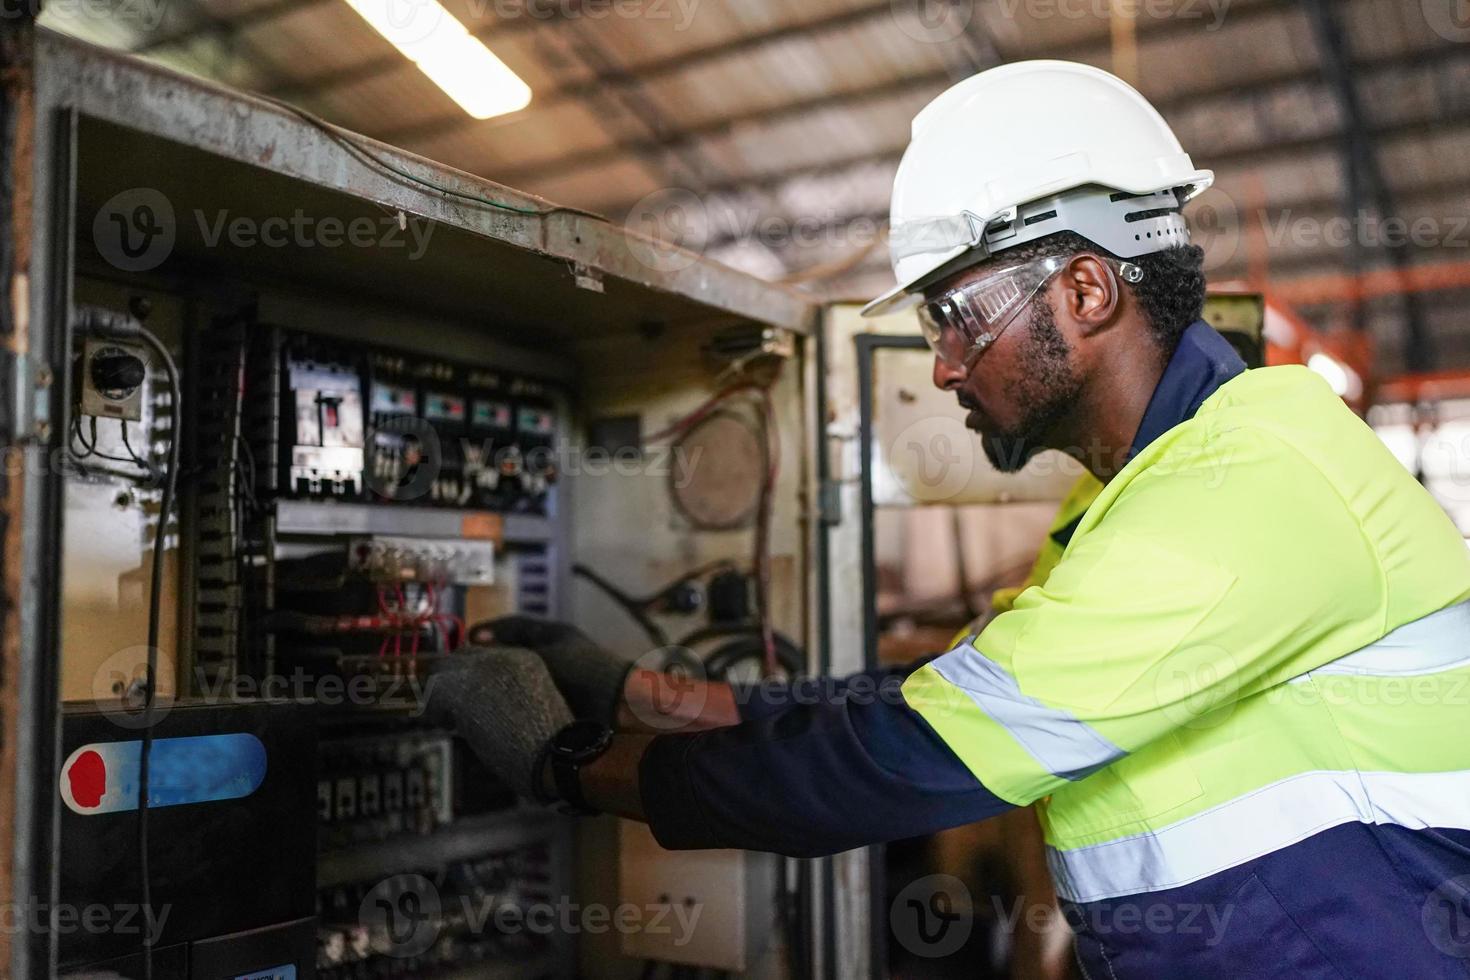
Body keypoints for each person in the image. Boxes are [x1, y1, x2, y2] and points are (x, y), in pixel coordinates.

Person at [432, 61, 1470, 977]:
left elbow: (916, 747)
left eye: (956, 313)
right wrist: (661, 697)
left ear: (1085, 289)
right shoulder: (1138, 490)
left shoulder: (1243, 488)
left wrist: (569, 764)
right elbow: (957, 685)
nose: (941, 363)